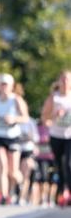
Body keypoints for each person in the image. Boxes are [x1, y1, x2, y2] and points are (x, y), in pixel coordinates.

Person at [0, 73, 30, 204]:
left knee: (13, 171)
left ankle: (18, 187)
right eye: (2, 84)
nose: (4, 87)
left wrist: (14, 119)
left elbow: (26, 118)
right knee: (2, 167)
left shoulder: (16, 99)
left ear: (11, 86)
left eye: (6, 84)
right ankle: (4, 196)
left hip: (13, 136)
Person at [41, 69, 71, 207]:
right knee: (59, 165)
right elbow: (44, 118)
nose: (65, 82)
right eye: (63, 79)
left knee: (68, 163)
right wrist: (55, 116)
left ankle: (67, 192)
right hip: (56, 136)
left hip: (69, 136)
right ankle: (61, 192)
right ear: (59, 81)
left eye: (68, 79)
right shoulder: (54, 97)